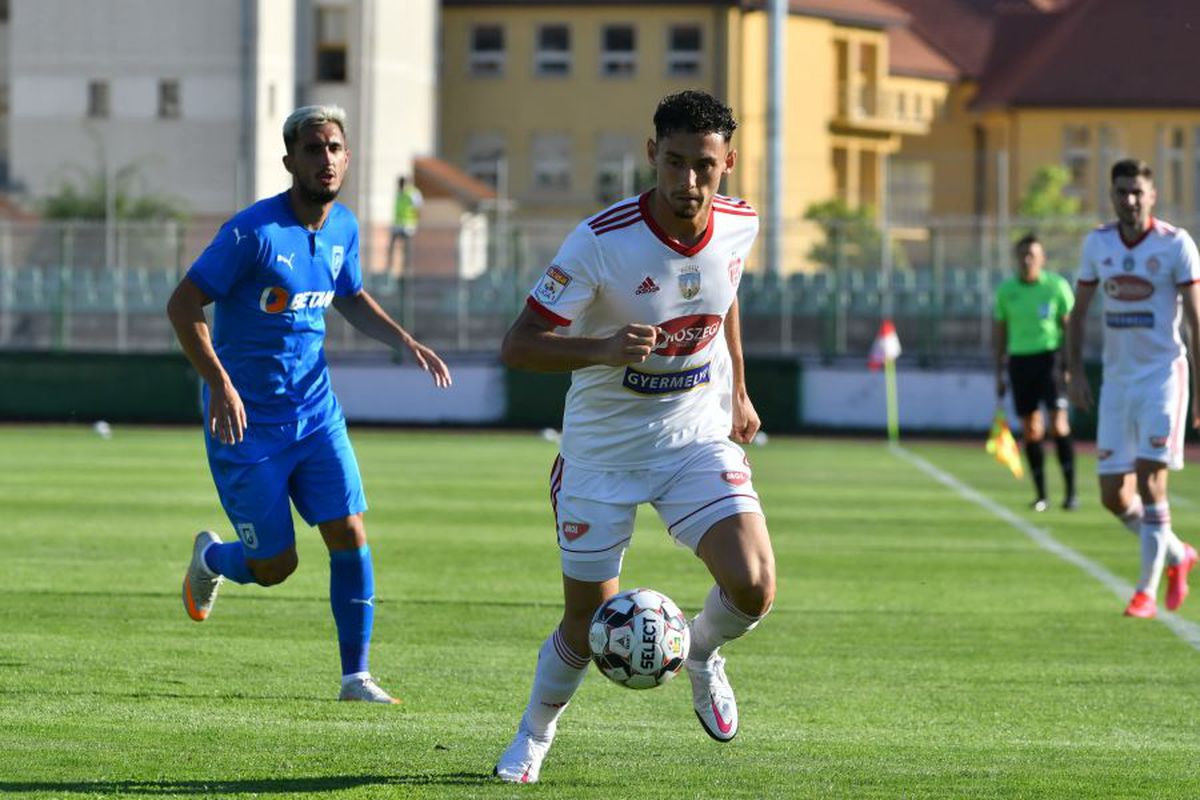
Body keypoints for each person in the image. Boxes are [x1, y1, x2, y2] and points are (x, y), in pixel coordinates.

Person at [493, 90, 775, 783]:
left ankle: (701, 653)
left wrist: (737, 385)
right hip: (602, 453)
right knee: (586, 626)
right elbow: (519, 346)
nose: (687, 183)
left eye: (703, 167)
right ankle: (534, 734)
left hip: (693, 435)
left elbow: (724, 289)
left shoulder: (741, 223)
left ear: (728, 164)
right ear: (652, 154)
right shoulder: (601, 240)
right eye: (674, 163)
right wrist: (604, 346)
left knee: (755, 585)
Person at [166, 105, 452, 702]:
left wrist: (403, 339)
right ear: (290, 160)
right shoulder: (253, 233)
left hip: (315, 413)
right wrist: (218, 381)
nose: (326, 159)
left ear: (348, 158)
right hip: (245, 421)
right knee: (276, 567)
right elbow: (183, 303)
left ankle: (357, 676)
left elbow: (347, 294)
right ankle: (215, 559)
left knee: (349, 530)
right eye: (314, 149)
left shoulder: (344, 225)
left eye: (335, 148)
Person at [1067, 158, 1200, 619]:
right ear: (1111, 195)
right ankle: (1179, 555)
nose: (1129, 200)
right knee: (1112, 496)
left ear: (1153, 195)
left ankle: (1143, 592)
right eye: (1122, 191)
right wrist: (1076, 373)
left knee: (1149, 480)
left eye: (1137, 192)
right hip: (1118, 383)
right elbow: (1078, 311)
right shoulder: (1098, 243)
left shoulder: (1175, 244)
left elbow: (1196, 319)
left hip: (1163, 377)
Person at [993, 233, 1077, 511]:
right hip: (1020, 362)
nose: (1027, 260)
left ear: (1042, 259)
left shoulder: (1056, 286)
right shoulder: (1007, 291)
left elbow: (1069, 328)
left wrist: (1069, 365)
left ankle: (1071, 493)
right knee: (1031, 429)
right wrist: (999, 373)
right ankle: (1041, 494)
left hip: (1050, 359)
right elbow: (1000, 333)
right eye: (1022, 255)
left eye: (1032, 255)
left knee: (1058, 423)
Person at [386, 175, 423, 275]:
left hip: (408, 225)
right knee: (391, 245)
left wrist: (416, 222)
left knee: (407, 248)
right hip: (398, 224)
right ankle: (390, 267)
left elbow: (418, 208)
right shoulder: (399, 193)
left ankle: (407, 269)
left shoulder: (412, 193)